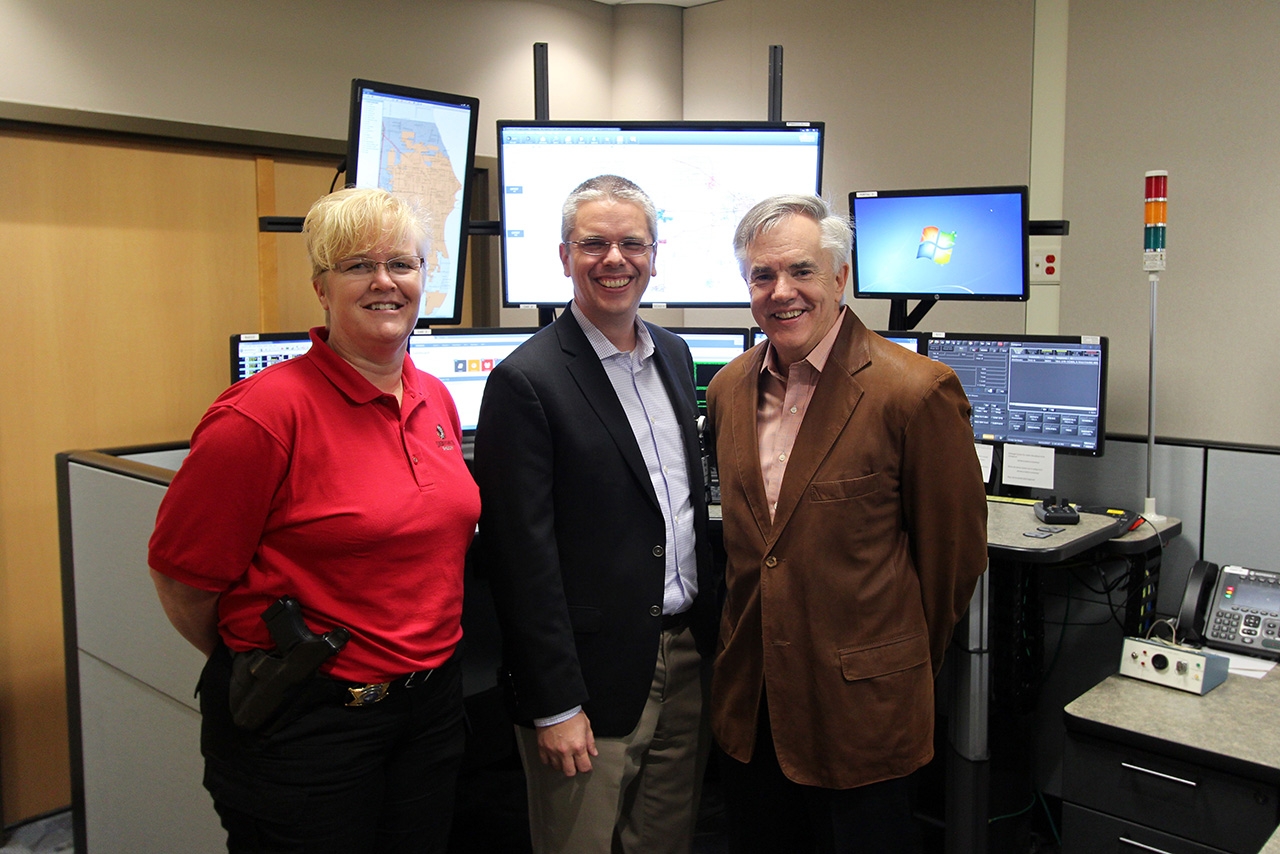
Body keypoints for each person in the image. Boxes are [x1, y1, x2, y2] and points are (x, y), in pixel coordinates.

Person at [147, 187, 479, 854]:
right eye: (358, 265)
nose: (385, 282)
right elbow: (184, 579)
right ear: (321, 286)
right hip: (310, 729)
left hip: (429, 711)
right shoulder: (261, 416)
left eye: (403, 264)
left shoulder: (433, 394)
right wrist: (276, 660)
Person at [706, 194, 988, 853]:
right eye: (762, 276)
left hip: (861, 714)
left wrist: (893, 662)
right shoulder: (727, 389)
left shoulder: (915, 391)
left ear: (839, 277)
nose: (782, 292)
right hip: (752, 710)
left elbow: (954, 561)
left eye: (801, 271)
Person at [472, 174, 716, 854]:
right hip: (586, 679)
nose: (615, 259)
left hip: (687, 657)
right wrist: (555, 703)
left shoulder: (673, 353)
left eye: (631, 243)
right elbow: (521, 561)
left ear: (655, 254)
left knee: (665, 841)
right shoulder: (527, 381)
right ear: (563, 256)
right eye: (594, 244)